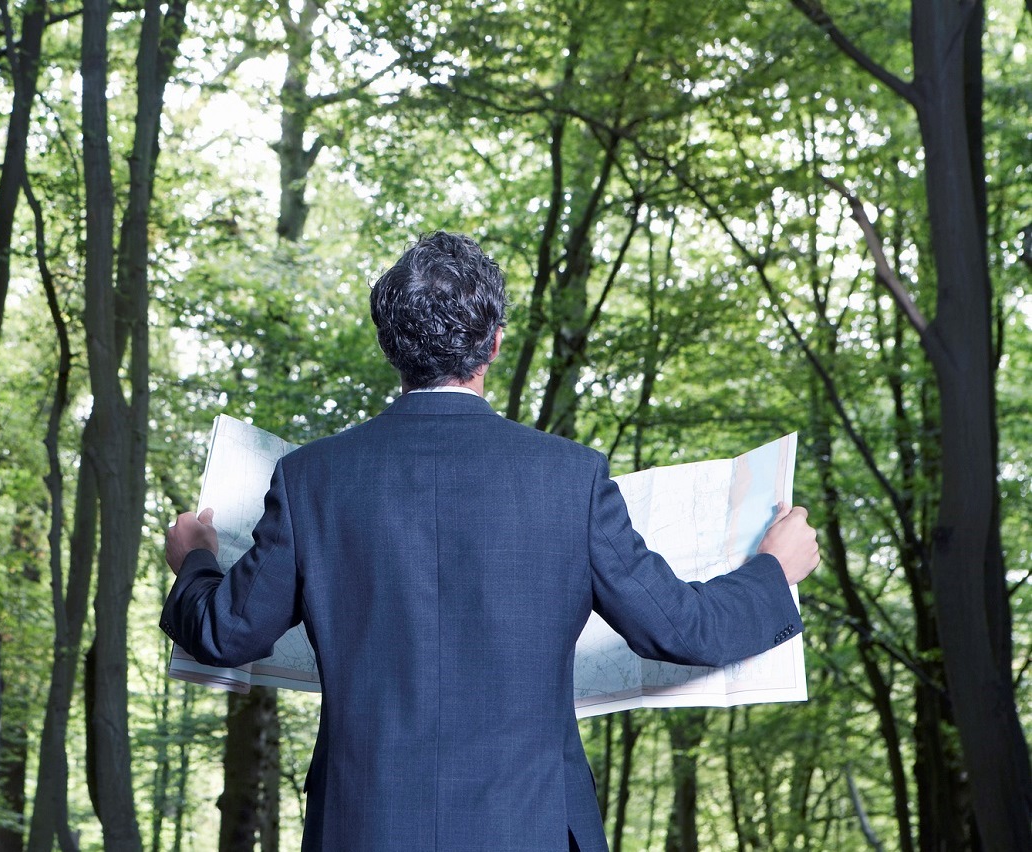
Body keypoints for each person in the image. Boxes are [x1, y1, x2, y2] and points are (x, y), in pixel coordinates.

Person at [158, 231, 819, 851]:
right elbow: (683, 629)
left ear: (391, 348)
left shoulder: (311, 480)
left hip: (365, 827)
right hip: (529, 826)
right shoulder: (571, 479)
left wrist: (195, 557)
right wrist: (773, 569)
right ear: (495, 344)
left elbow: (225, 633)